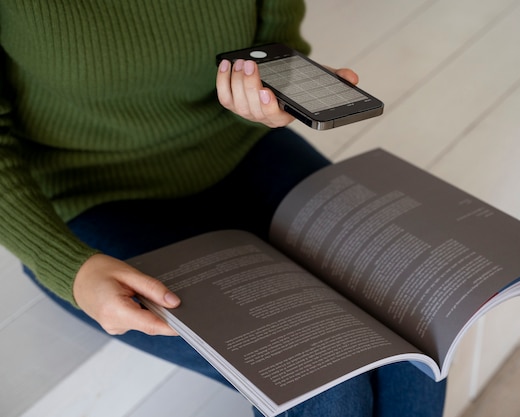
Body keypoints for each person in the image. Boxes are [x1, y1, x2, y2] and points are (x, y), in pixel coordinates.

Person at [0, 1, 446, 416]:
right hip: (87, 192)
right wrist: (64, 265)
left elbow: (272, 51)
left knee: (416, 321)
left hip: (242, 146)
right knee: (316, 378)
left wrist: (272, 97)